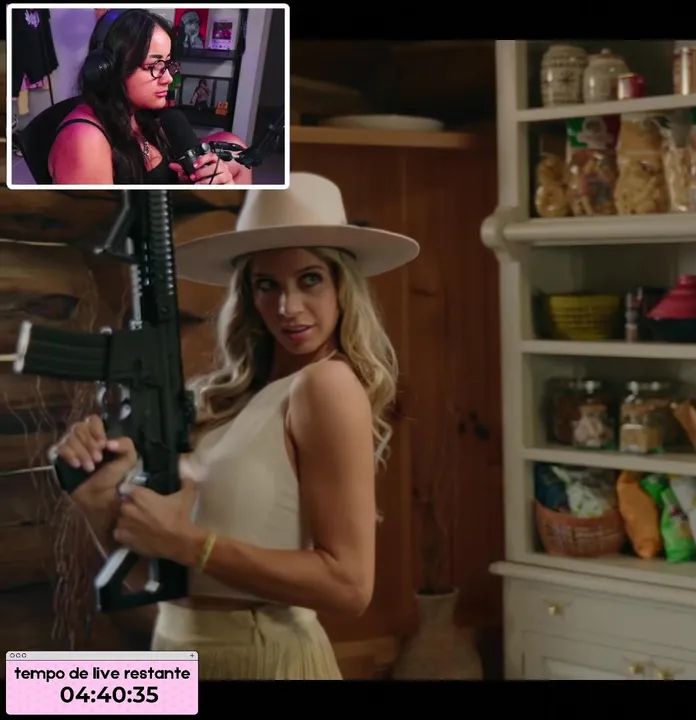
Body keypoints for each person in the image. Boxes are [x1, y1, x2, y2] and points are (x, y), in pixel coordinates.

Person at [52, 174, 419, 678]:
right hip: (177, 650)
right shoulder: (224, 402)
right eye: (267, 285)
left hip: (264, 656)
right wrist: (98, 499)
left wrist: (189, 543)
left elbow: (349, 586)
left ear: (342, 286)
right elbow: (155, 579)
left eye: (310, 279)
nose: (288, 307)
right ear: (248, 292)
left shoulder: (325, 385)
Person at [46, 8, 250, 185]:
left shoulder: (138, 112)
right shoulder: (85, 140)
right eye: (154, 66)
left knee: (237, 151)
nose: (168, 78)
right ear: (109, 69)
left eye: (167, 63)